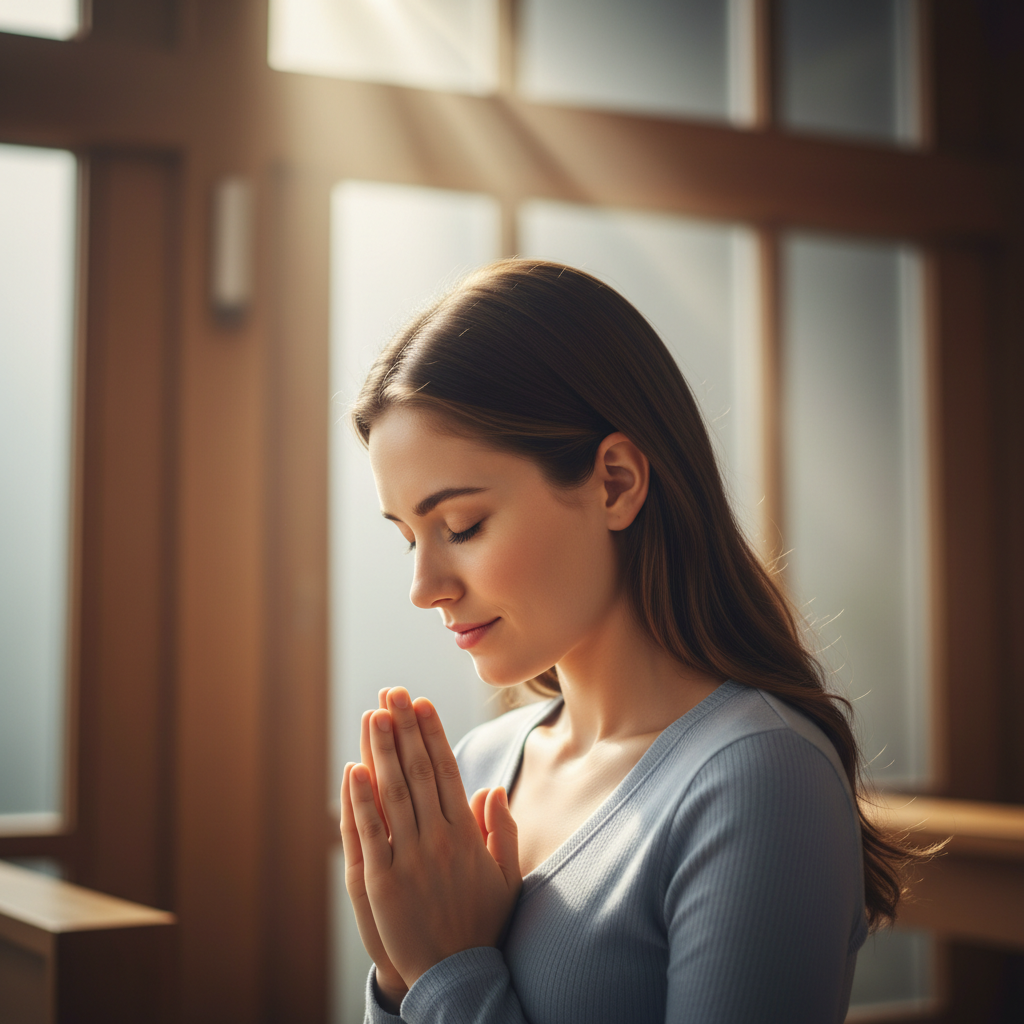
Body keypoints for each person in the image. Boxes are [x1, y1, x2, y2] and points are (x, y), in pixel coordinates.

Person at [339, 259, 918, 1024]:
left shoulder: (760, 780)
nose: (425, 586)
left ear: (615, 482)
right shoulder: (480, 769)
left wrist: (447, 972)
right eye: (408, 538)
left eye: (461, 526)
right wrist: (398, 972)